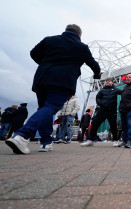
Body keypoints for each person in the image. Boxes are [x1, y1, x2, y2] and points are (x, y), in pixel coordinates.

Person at [5, 24, 100, 154]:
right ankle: (22, 136)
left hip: (42, 78)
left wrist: (46, 63)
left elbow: (33, 53)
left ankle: (46, 142)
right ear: (79, 35)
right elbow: (93, 64)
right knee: (50, 108)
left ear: (66, 31)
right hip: (63, 81)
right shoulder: (81, 47)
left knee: (45, 109)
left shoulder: (49, 39)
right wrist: (97, 74)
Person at [81, 77, 120, 147]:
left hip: (112, 111)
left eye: (109, 81)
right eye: (106, 81)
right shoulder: (102, 90)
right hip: (102, 110)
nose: (107, 82)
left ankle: (116, 140)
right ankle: (90, 140)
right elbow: (97, 98)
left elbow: (124, 93)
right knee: (95, 124)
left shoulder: (116, 90)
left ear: (112, 82)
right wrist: (102, 103)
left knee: (113, 126)